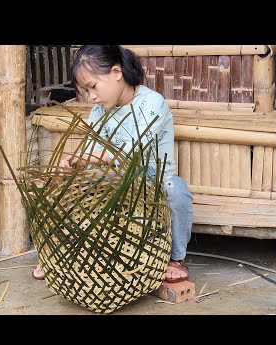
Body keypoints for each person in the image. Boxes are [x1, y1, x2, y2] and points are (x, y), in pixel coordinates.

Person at [32, 45, 193, 283]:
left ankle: (176, 257)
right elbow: (90, 154)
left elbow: (129, 153)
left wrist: (87, 158)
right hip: (113, 177)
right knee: (68, 187)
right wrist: (74, 164)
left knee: (176, 189)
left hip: (152, 179)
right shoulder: (99, 111)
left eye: (93, 87)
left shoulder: (152, 103)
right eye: (85, 91)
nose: (91, 96)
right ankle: (60, 254)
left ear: (117, 73)